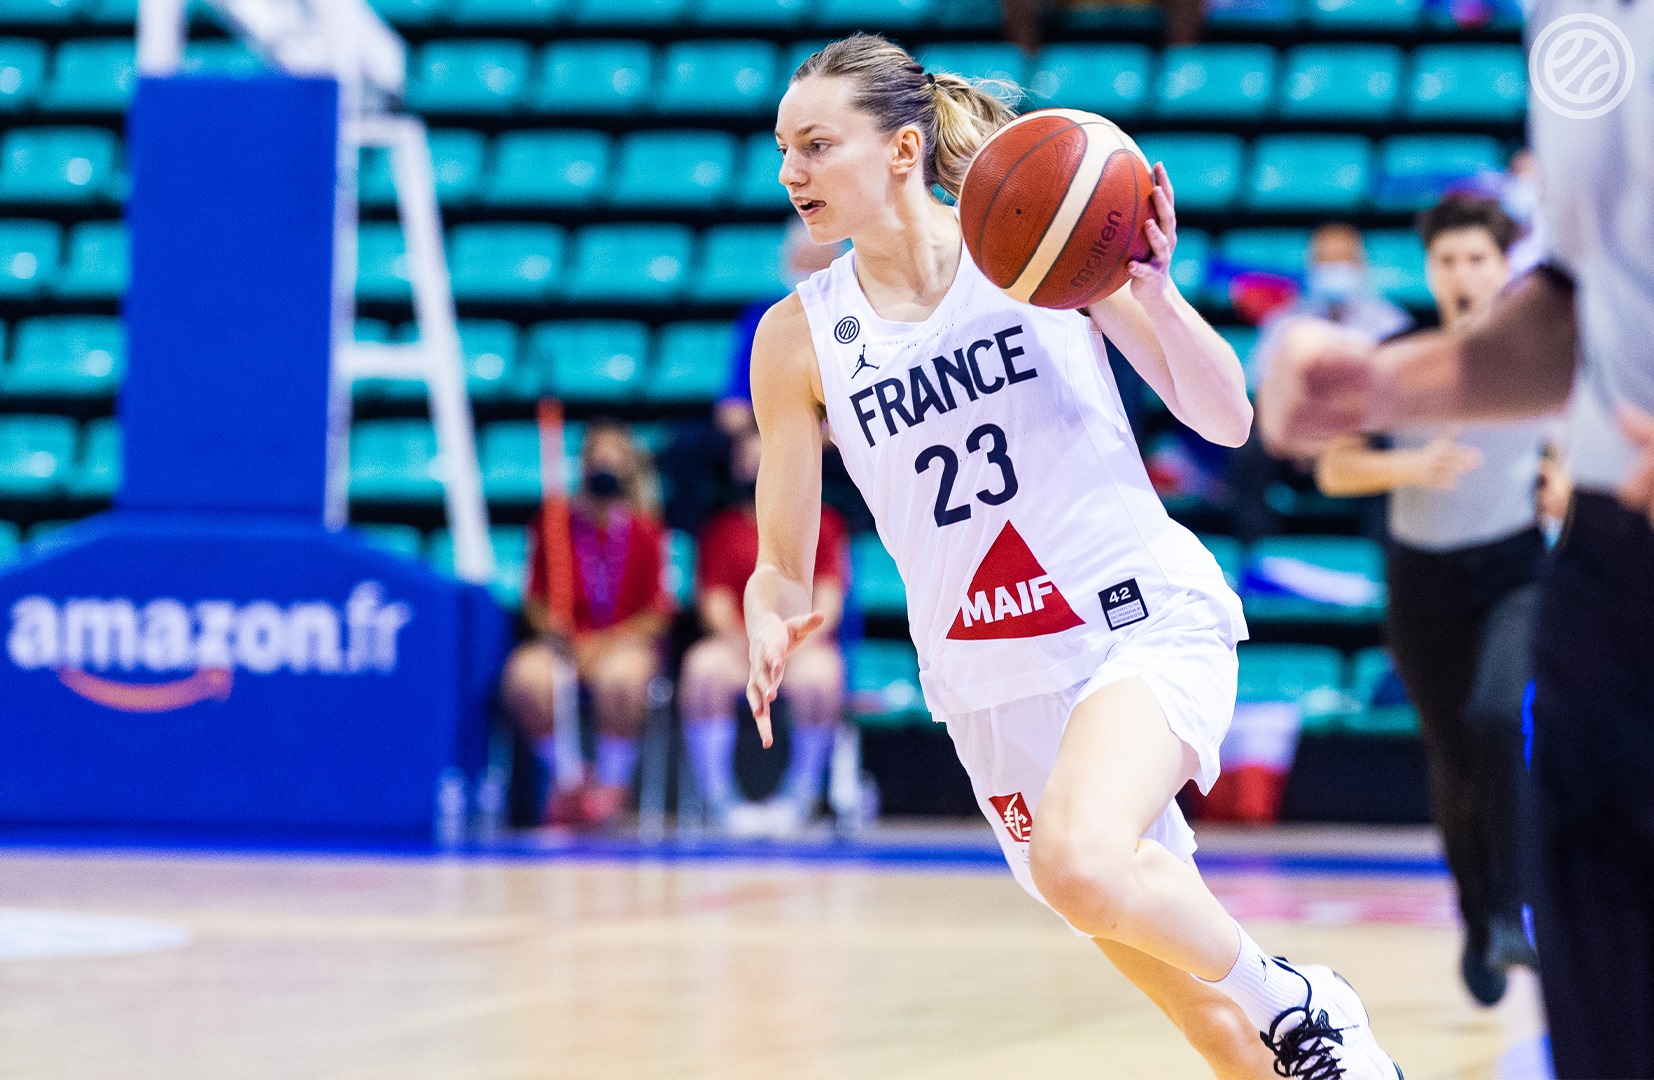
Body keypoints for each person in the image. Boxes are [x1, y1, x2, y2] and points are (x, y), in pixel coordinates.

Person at [744, 34, 1400, 1078]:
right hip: (987, 682)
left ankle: (1304, 997)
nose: (791, 172)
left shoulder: (1037, 245)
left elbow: (1226, 417)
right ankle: (1289, 1017)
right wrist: (769, 610)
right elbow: (781, 557)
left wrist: (1154, 286)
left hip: (1133, 622)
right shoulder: (797, 338)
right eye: (784, 148)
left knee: (1083, 862)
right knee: (1216, 1031)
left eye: (817, 145)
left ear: (902, 149)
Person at [1258, 0, 1651, 1067]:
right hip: (1608, 575)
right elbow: (1581, 298)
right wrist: (1384, 385)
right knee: (1606, 1012)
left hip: (1531, 558)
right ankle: (1490, 920)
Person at [1313, 194, 1545, 1006]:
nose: (1463, 274)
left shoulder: (1536, 359)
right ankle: (1478, 918)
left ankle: (1516, 909)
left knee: (1494, 717)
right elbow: (1336, 469)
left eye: (1478, 259)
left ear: (1504, 265)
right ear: (1431, 271)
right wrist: (1411, 467)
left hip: (1516, 571)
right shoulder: (1398, 362)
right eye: (1448, 261)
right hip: (1424, 579)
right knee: (1452, 758)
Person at [500, 422, 673, 828]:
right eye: (598, 455)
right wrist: (555, 632)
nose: (605, 464)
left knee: (623, 679)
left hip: (621, 643)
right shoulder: (554, 524)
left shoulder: (646, 531)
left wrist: (607, 642)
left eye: (615, 456)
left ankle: (612, 785)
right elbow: (536, 599)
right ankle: (570, 779)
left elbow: (657, 612)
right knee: (525, 677)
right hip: (565, 644)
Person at [680, 426, 848, 836]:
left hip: (799, 648)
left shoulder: (821, 523)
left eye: (763, 461)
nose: (754, 471)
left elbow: (828, 602)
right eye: (746, 463)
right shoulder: (721, 530)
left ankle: (800, 796)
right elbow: (714, 606)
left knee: (824, 677)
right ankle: (720, 800)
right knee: (701, 669)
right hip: (744, 647)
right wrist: (755, 645)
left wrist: (790, 645)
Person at [1229, 224, 1412, 542]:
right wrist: (1295, 438)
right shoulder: (1283, 322)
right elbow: (1263, 393)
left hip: (1362, 441)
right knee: (1246, 451)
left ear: (1361, 266)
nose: (1334, 270)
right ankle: (1258, 556)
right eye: (1324, 261)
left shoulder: (1392, 324)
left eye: (1342, 261)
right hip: (1293, 445)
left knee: (1395, 449)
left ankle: (1385, 556)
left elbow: (1398, 401)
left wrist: (1347, 439)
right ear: (1311, 267)